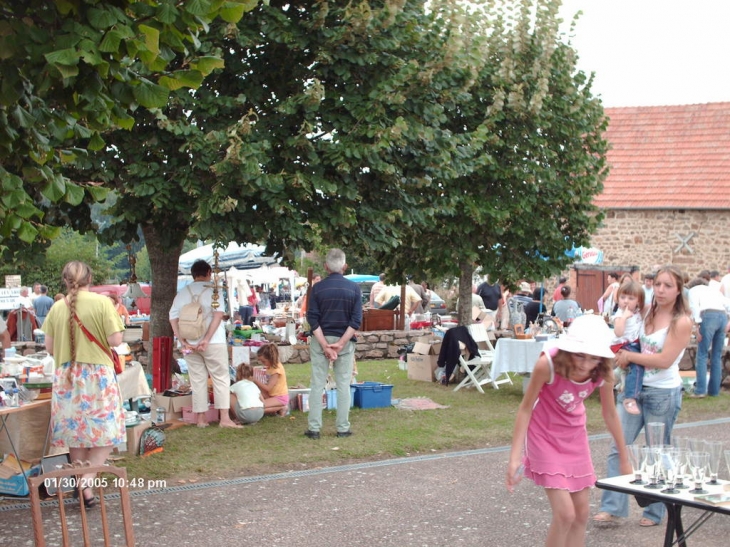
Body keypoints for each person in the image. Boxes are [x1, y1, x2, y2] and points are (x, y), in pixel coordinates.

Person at [507, 314, 630, 547]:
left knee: (582, 513)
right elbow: (524, 409)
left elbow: (610, 414)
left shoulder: (603, 370)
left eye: (593, 357)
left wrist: (624, 458)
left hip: (574, 436)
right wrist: (515, 458)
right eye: (580, 355)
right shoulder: (548, 364)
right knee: (565, 514)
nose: (585, 364)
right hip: (543, 435)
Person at [594, 265, 692, 527]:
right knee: (619, 446)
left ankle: (654, 511)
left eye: (667, 285)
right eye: (658, 284)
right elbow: (625, 330)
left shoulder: (681, 321)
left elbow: (664, 359)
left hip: (662, 393)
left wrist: (628, 357)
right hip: (633, 390)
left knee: (656, 451)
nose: (660, 290)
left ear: (679, 289)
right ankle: (613, 506)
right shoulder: (648, 311)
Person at [42, 261, 126, 508]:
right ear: (90, 278)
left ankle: (83, 486)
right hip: (96, 375)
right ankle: (86, 481)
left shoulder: (57, 307)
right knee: (108, 432)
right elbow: (115, 339)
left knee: (76, 434)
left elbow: (49, 347)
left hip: (66, 376)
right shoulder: (102, 303)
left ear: (65, 281)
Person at [169, 259, 242, 429]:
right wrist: (207, 339)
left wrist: (182, 341)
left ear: (193, 274)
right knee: (220, 378)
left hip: (189, 342)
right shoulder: (213, 291)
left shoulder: (182, 293)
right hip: (213, 341)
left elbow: (173, 317)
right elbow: (218, 315)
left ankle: (201, 418)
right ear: (209, 272)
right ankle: (224, 418)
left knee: (197, 380)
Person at [305, 248, 362, 439]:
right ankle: (342, 428)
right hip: (344, 340)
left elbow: (312, 319)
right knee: (343, 384)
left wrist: (324, 345)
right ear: (345, 267)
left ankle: (314, 428)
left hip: (321, 338)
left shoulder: (317, 289)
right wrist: (341, 343)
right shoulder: (354, 289)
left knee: (317, 383)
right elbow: (356, 321)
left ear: (326, 266)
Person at [686, 276, 730, 398]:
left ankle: (700, 390)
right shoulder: (713, 290)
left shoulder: (693, 291)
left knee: (702, 354)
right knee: (716, 355)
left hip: (708, 315)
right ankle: (714, 391)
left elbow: (694, 308)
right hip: (722, 316)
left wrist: (697, 327)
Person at [610, 280, 645, 415]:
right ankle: (630, 398)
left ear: (638, 301)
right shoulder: (620, 314)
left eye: (631, 298)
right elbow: (618, 332)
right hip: (624, 344)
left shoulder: (637, 312)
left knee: (632, 365)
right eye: (623, 297)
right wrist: (624, 318)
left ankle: (619, 374)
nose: (626, 301)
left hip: (633, 342)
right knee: (637, 366)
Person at [251, 343, 289, 416]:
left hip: (280, 397)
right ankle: (276, 408)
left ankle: (281, 407)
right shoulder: (270, 366)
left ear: (271, 358)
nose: (262, 363)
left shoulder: (276, 370)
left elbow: (268, 388)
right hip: (272, 394)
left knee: (259, 407)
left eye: (264, 361)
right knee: (256, 396)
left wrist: (255, 380)